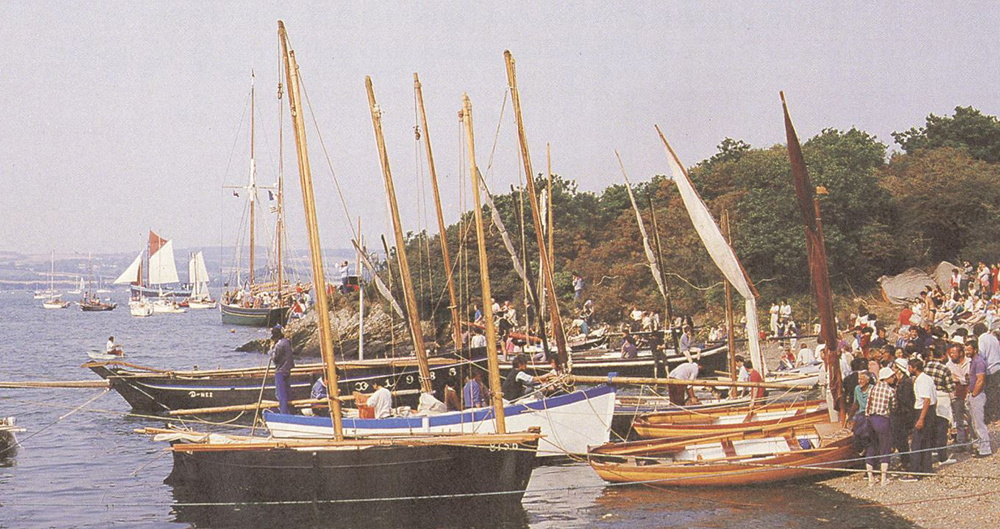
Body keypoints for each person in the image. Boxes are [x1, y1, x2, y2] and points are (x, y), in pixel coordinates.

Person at [901, 358, 937, 480]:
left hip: (923, 411)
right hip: (929, 411)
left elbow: (926, 399)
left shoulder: (922, 380)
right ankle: (926, 468)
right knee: (925, 441)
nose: (909, 369)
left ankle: (915, 471)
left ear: (915, 367)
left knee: (916, 442)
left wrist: (921, 418)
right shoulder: (926, 379)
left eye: (910, 367)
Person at [865, 367, 897, 487]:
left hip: (871, 419)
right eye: (891, 376)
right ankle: (883, 478)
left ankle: (870, 478)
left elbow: (868, 404)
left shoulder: (872, 389)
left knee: (872, 446)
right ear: (886, 378)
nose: (893, 378)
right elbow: (894, 406)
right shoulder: (890, 391)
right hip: (883, 420)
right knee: (885, 447)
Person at [925, 345, 957, 464]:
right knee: (942, 428)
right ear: (943, 356)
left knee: (932, 426)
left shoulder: (926, 366)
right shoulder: (945, 369)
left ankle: (933, 450)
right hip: (942, 397)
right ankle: (942, 456)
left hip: (929, 397)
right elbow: (950, 387)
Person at [967, 338, 993, 457]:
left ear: (975, 350)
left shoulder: (979, 362)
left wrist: (973, 394)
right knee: (973, 423)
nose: (967, 352)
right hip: (973, 393)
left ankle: (985, 448)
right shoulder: (973, 361)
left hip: (978, 395)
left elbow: (980, 380)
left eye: (969, 350)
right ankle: (979, 445)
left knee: (979, 423)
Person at [890, 357, 915, 471]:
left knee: (902, 440)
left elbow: (906, 400)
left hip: (904, 415)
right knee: (900, 440)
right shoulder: (899, 382)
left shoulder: (906, 382)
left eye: (894, 367)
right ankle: (905, 460)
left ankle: (907, 462)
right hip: (899, 414)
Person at [973, 323, 1000, 422]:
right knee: (996, 392)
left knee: (989, 393)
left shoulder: (981, 339)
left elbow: (981, 355)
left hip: (990, 369)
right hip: (997, 366)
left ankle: (991, 415)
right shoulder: (993, 338)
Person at [268, 325, 295, 415]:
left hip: (281, 371)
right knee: (287, 392)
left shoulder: (279, 345)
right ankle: (290, 411)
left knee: (281, 394)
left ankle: (284, 413)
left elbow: (275, 358)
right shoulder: (287, 342)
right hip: (287, 369)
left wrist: (271, 349)